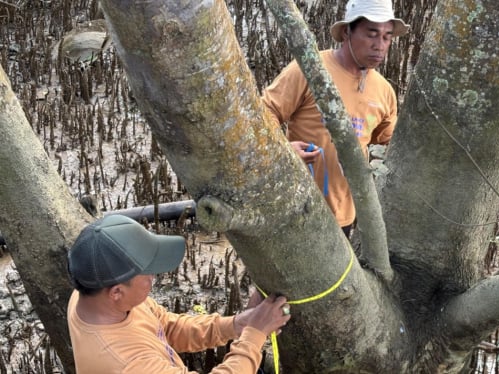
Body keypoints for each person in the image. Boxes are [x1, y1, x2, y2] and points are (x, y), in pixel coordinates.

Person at [66, 214, 291, 373]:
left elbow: (167, 327)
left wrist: (236, 324)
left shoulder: (91, 295)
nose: (154, 278)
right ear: (116, 292)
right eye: (148, 274)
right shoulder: (128, 364)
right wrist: (254, 335)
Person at [262, 0, 409, 237]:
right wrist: (282, 150)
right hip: (296, 205)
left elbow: (390, 145)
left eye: (386, 37)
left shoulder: (384, 92)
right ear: (346, 32)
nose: (380, 46)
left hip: (344, 213)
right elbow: (264, 113)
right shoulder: (309, 69)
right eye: (372, 34)